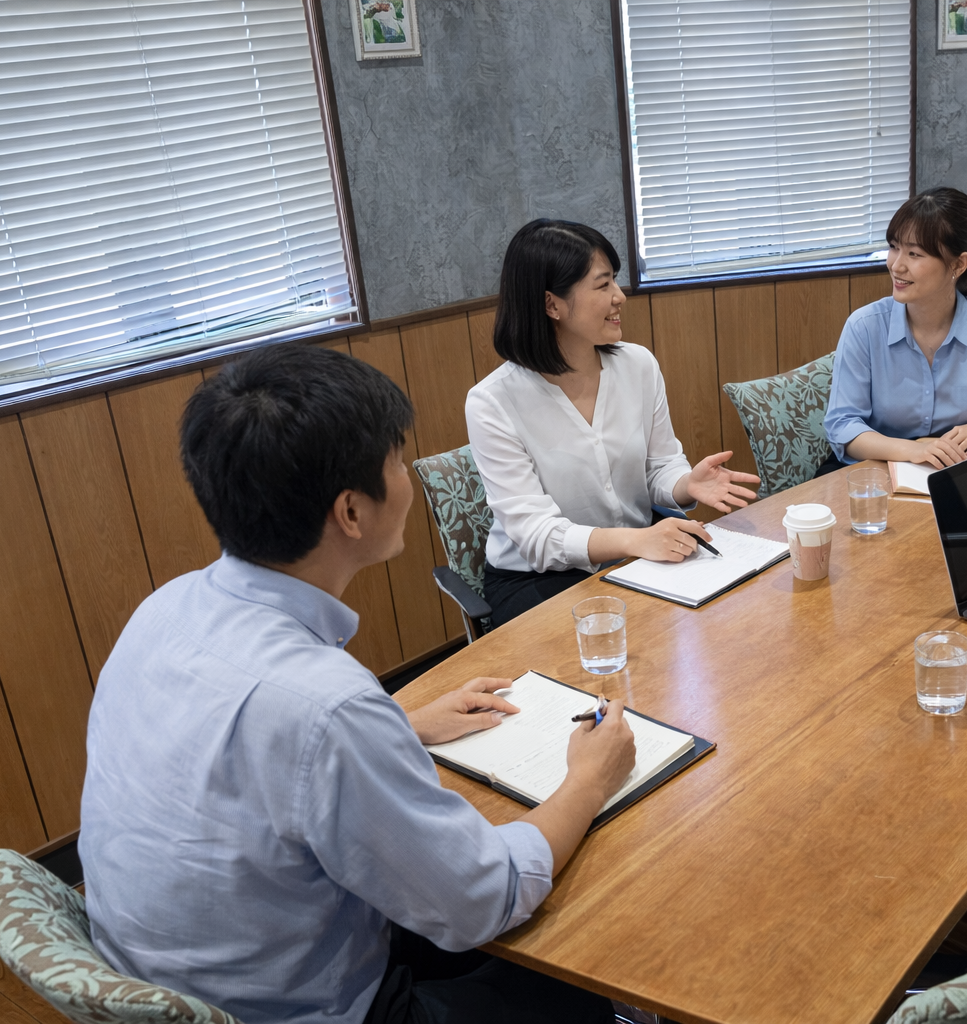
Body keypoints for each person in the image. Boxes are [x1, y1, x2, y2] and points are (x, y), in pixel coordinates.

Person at [79, 344, 636, 1024]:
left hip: (168, 971)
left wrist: (401, 726)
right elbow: (485, 898)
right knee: (575, 957)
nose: (408, 478)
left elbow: (238, 759)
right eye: (397, 461)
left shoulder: (164, 610)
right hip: (291, 1008)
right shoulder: (326, 706)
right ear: (351, 511)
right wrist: (588, 781)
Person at [467, 219, 759, 624]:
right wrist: (636, 541)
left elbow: (659, 466)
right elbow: (537, 535)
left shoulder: (638, 365)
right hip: (541, 578)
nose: (620, 296)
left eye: (615, 281)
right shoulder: (492, 402)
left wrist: (685, 483)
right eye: (603, 285)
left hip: (638, 550)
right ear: (552, 305)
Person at [820, 187, 967, 475]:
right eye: (894, 247)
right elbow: (843, 426)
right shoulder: (864, 326)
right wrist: (914, 450)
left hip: (950, 468)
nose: (896, 265)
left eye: (914, 253)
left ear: (959, 264)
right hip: (871, 470)